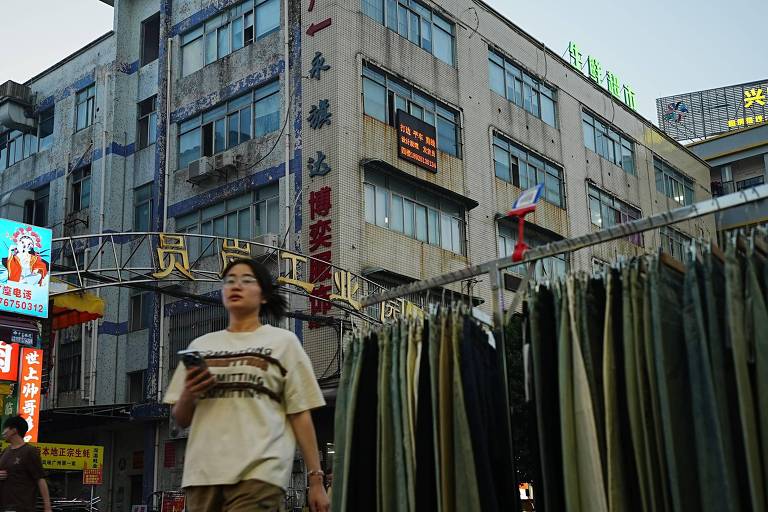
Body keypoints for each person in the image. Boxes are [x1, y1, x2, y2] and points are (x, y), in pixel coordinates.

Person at [164, 258, 330, 512]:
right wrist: (190, 392)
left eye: (246, 280)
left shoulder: (283, 343)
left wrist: (316, 479)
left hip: (260, 472)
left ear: (263, 295)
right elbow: (181, 419)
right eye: (229, 281)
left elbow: (299, 414)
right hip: (203, 475)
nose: (236, 286)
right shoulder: (200, 346)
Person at [0, 416, 52, 512]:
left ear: (14, 430)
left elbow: (40, 479)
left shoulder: (30, 451)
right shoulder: (5, 452)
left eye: (5, 429)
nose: (3, 432)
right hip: (4, 507)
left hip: (22, 507)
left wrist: (47, 507)